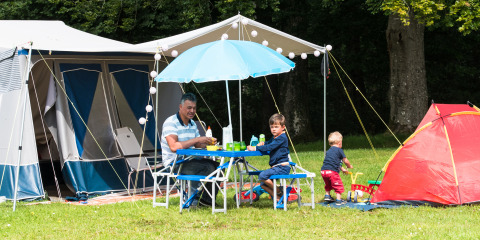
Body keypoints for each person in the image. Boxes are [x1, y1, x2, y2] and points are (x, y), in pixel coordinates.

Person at [161, 93, 219, 207]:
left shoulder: (192, 123)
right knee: (209, 168)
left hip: (190, 160)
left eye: (194, 108)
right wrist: (197, 139)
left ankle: (206, 201)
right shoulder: (171, 122)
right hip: (175, 163)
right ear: (180, 107)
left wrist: (208, 143)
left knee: (219, 167)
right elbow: (174, 147)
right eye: (189, 108)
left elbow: (197, 144)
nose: (192, 111)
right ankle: (195, 198)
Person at [247, 113, 290, 200]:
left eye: (276, 127)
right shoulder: (275, 137)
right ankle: (277, 198)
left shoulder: (282, 137)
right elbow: (268, 143)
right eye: (272, 127)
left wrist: (255, 148)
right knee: (263, 184)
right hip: (276, 167)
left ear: (283, 127)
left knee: (262, 176)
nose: (273, 129)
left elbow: (270, 147)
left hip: (282, 167)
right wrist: (263, 143)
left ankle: (278, 191)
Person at [321, 131, 353, 205]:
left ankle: (327, 195)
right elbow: (345, 160)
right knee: (338, 185)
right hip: (332, 172)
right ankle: (339, 200)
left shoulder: (328, 151)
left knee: (328, 184)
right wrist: (349, 166)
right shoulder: (339, 150)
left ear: (330, 143)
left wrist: (342, 169)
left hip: (323, 171)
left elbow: (334, 163)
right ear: (340, 143)